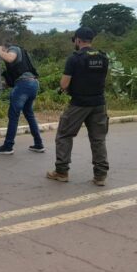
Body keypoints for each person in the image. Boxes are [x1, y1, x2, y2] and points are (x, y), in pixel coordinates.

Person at [46, 26, 109, 186]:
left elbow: (64, 83)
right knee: (98, 139)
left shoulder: (74, 58)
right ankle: (100, 176)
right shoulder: (103, 57)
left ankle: (61, 171)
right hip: (99, 104)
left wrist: (65, 87)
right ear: (91, 40)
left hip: (79, 104)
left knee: (64, 136)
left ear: (78, 40)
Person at [0, 38, 45, 154]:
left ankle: (8, 146)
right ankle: (38, 144)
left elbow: (9, 58)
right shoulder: (18, 58)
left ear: (3, 47)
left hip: (24, 84)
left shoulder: (13, 49)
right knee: (29, 114)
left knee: (13, 115)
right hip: (31, 84)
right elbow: (9, 83)